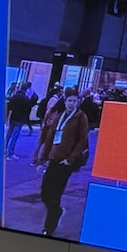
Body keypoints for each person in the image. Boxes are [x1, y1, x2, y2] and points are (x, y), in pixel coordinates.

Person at [35, 89, 90, 237]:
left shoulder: (80, 117)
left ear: (78, 101)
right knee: (45, 193)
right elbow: (50, 139)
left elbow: (82, 141)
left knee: (55, 194)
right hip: (53, 158)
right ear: (65, 101)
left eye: (74, 101)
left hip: (65, 162)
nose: (71, 103)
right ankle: (58, 212)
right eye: (69, 100)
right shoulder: (60, 117)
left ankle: (49, 228)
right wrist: (42, 160)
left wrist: (70, 159)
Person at [5, 81, 37, 159]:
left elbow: (10, 107)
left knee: (8, 135)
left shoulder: (14, 96)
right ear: (26, 90)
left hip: (13, 117)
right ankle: (10, 153)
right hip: (20, 119)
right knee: (15, 136)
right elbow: (28, 107)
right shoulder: (25, 98)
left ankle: (4, 149)